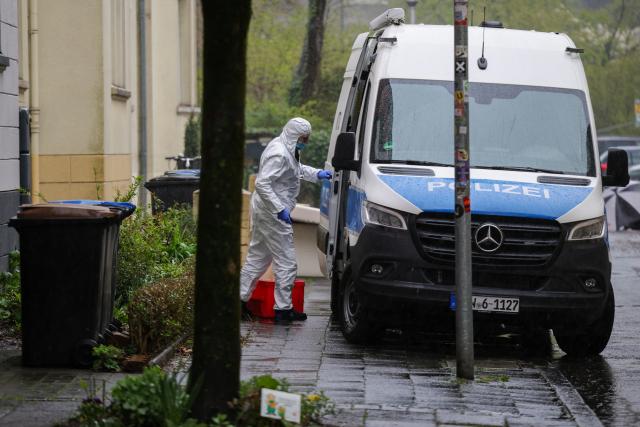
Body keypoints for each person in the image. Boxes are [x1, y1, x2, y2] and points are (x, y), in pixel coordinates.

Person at [240, 118, 333, 322]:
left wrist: (317, 174)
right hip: (273, 214)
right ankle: (283, 310)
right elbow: (263, 184)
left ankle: (238, 302)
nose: (305, 142)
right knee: (287, 262)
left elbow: (295, 170)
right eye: (303, 138)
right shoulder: (279, 154)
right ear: (295, 136)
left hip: (266, 212)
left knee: (257, 258)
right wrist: (280, 209)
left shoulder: (285, 147)